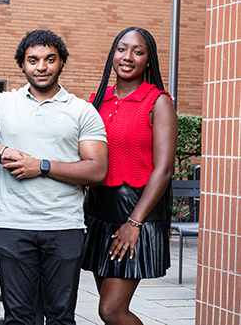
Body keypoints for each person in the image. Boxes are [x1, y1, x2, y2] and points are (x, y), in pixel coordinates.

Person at [0, 29, 108, 325]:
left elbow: (97, 170)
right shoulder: (2, 104)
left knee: (61, 318)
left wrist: (42, 166)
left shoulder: (82, 111)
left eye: (50, 59)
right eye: (33, 60)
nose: (42, 66)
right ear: (22, 64)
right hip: (13, 226)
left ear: (62, 62)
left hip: (64, 227)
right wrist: (1, 150)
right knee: (18, 319)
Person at [82, 27, 178, 325]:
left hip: (136, 212)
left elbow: (163, 169)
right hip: (98, 211)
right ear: (113, 53)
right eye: (122, 49)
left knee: (111, 310)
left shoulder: (158, 102)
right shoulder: (98, 101)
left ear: (148, 61)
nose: (128, 57)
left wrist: (134, 223)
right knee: (108, 309)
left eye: (138, 51)